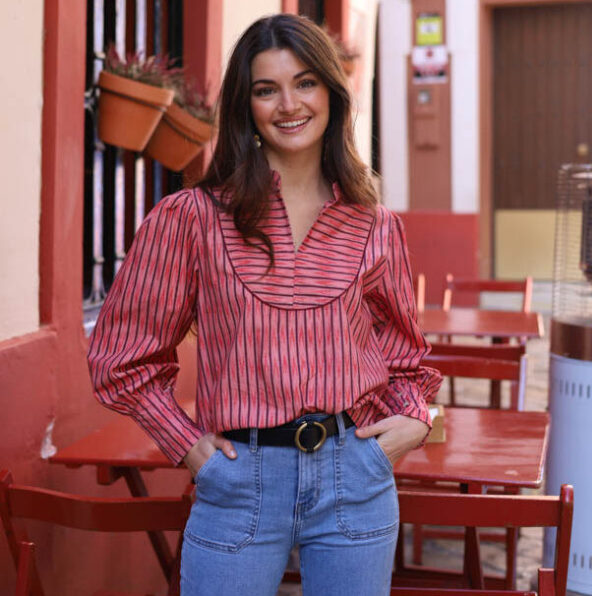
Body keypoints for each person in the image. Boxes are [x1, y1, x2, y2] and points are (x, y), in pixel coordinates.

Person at [88, 13, 442, 596]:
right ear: (244, 106)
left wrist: (413, 421)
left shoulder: (376, 225)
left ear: (332, 93)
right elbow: (121, 356)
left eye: (304, 82)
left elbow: (404, 356)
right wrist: (186, 444)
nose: (288, 104)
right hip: (239, 481)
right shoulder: (191, 219)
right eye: (265, 89)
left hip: (354, 476)